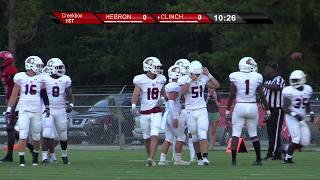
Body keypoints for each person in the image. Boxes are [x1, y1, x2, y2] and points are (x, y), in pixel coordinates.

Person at [5, 56, 49, 167]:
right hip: (24, 110)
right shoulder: (20, 77)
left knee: (36, 136)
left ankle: (35, 159)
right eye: (38, 65)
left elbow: (44, 94)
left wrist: (47, 106)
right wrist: (9, 110)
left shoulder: (41, 78)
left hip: (36, 111)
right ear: (30, 65)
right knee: (23, 134)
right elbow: (14, 95)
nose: (40, 68)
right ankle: (22, 159)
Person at [226, 57, 270, 166]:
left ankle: (233, 161)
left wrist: (227, 110)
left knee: (236, 133)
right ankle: (258, 159)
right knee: (253, 133)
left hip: (240, 105)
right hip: (252, 106)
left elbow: (231, 94)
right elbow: (262, 95)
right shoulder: (257, 76)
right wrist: (268, 110)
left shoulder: (235, 75)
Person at [180, 60, 220, 166]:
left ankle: (205, 157)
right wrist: (189, 80)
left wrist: (209, 74)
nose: (197, 76)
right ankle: (199, 158)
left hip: (201, 109)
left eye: (198, 74)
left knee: (202, 133)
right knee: (194, 136)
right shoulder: (184, 79)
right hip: (189, 111)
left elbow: (216, 85)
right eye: (195, 74)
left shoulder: (203, 77)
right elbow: (182, 92)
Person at [131, 57, 166, 167]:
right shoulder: (140, 79)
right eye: (156, 67)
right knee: (146, 138)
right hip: (144, 112)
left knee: (154, 134)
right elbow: (135, 94)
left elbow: (163, 92)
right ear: (149, 67)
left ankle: (151, 158)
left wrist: (163, 99)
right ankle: (149, 157)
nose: (158, 69)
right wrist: (133, 105)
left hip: (156, 112)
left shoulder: (161, 79)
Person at [41, 58, 73, 164]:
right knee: (46, 132)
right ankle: (44, 157)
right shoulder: (45, 78)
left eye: (62, 67)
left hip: (60, 109)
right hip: (49, 109)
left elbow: (69, 94)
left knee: (63, 134)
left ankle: (64, 155)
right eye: (58, 68)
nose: (61, 69)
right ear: (51, 68)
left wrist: (71, 104)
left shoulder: (65, 79)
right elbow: (42, 93)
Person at [158, 65, 189, 166]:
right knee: (181, 137)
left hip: (168, 114)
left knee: (168, 138)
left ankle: (162, 160)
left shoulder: (172, 85)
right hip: (172, 114)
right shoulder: (174, 86)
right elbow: (171, 102)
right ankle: (177, 160)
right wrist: (175, 117)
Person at [282, 70, 314, 164]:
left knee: (305, 142)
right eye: (293, 80)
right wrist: (295, 115)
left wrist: (311, 112)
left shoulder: (308, 89)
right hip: (291, 117)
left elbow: (307, 101)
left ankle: (285, 148)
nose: (294, 82)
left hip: (301, 118)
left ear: (302, 79)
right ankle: (288, 158)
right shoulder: (289, 90)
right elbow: (285, 108)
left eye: (297, 80)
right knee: (295, 139)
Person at [263, 62, 285, 160]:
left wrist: (262, 85)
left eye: (268, 68)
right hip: (269, 110)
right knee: (271, 133)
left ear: (274, 69)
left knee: (275, 133)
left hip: (277, 109)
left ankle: (271, 154)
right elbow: (263, 96)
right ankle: (278, 154)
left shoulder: (279, 79)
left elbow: (277, 87)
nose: (266, 69)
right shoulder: (267, 82)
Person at [0, 51, 18, 162]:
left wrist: (12, 104)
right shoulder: (4, 70)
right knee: (11, 129)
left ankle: (10, 155)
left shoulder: (11, 70)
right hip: (10, 101)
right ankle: (29, 145)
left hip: (14, 102)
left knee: (10, 128)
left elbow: (18, 88)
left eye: (1, 59)